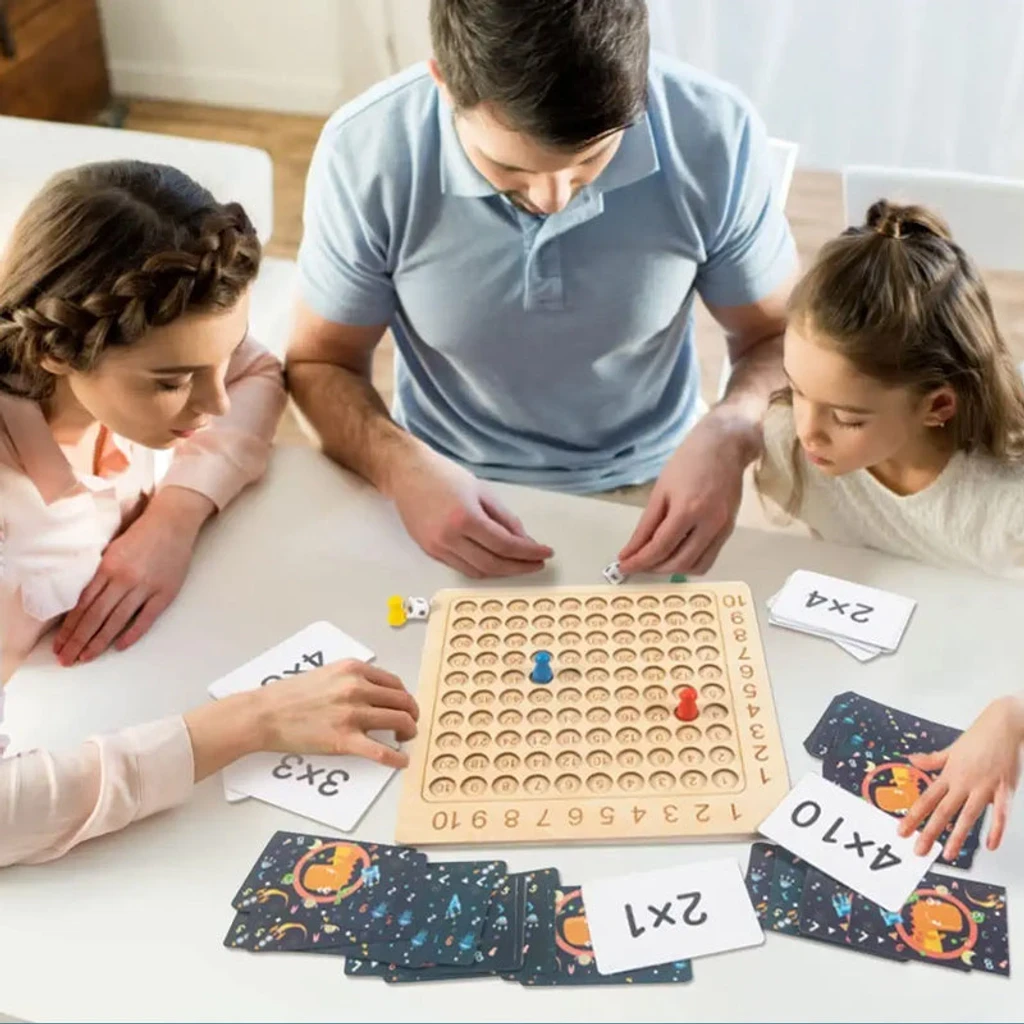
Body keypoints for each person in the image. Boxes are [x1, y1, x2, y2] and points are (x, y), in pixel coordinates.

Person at [287, 0, 797, 581]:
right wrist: (398, 467)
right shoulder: (365, 152)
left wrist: (733, 430)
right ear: (444, 83)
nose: (553, 200)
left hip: (660, 483)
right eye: (510, 169)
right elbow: (319, 364)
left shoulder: (715, 133)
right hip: (439, 484)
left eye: (591, 160)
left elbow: (776, 337)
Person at [0, 161, 419, 866]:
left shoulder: (145, 348)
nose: (214, 404)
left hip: (134, 675)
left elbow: (257, 373)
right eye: (172, 383)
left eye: (218, 359)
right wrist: (249, 722)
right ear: (56, 351)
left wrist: (175, 514)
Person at [754, 198, 1024, 857]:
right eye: (796, 389)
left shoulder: (1007, 504)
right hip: (897, 668)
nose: (807, 431)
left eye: (847, 417)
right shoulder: (797, 445)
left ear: (938, 406)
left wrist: (1014, 713)